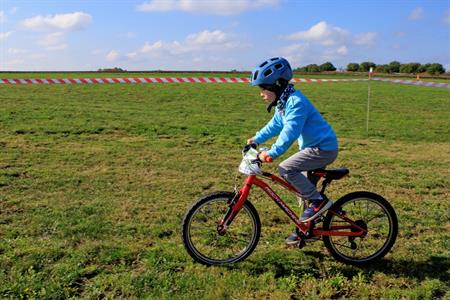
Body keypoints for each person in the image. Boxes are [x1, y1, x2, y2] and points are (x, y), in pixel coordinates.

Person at [247, 57, 339, 245]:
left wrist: (272, 152)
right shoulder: (283, 103)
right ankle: (307, 230)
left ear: (276, 85)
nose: (261, 94)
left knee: (286, 169)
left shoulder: (296, 102)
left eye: (263, 88)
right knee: (303, 191)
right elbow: (275, 125)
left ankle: (319, 203)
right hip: (313, 148)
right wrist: (256, 139)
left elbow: (290, 131)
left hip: (323, 149)